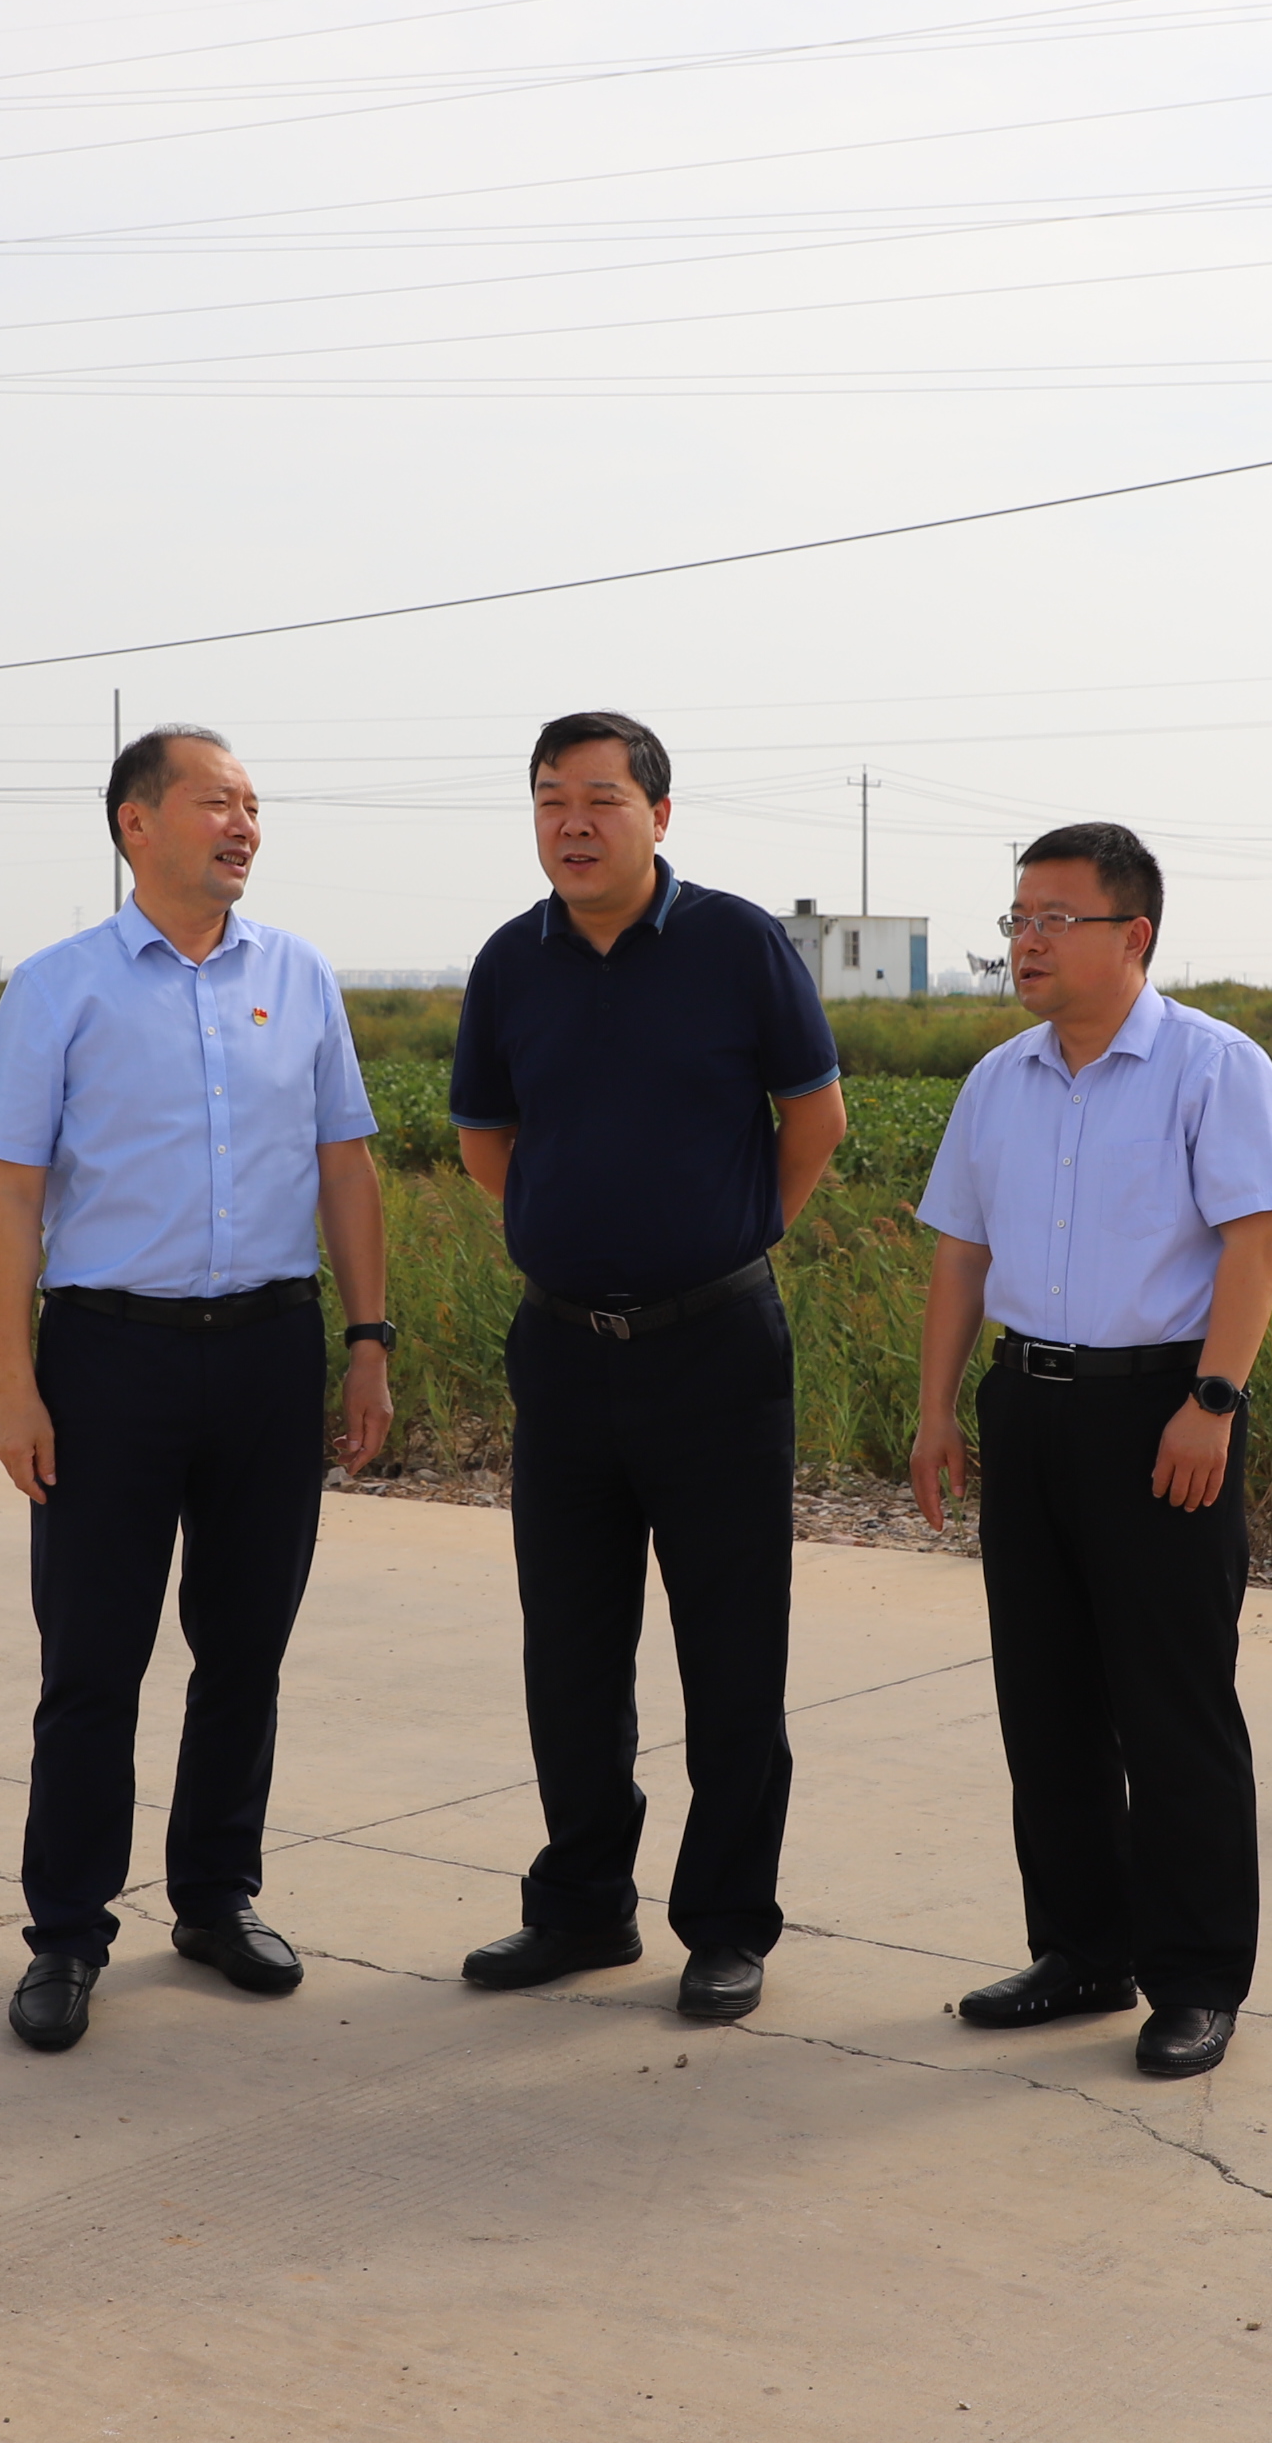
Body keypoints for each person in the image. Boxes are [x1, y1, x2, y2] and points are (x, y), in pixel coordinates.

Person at [0, 725, 396, 2054]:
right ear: (135, 823)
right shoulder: (60, 987)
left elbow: (345, 1167)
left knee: (245, 1647)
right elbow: (12, 1196)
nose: (243, 825)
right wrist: (14, 1385)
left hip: (269, 1349)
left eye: (253, 805)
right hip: (110, 1358)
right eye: (217, 802)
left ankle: (214, 1895)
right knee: (92, 1662)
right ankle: (66, 1933)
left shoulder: (298, 976)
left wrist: (367, 1341)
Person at [446, 710, 847, 2022]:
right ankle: (580, 1906)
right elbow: (486, 1139)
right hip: (563, 1353)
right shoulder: (510, 961)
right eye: (550, 799)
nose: (573, 822)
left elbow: (814, 1119)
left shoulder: (737, 945)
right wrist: (569, 1228)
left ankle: (725, 1924)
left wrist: (731, 1235)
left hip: (717, 1350)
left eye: (601, 797)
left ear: (658, 815)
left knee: (730, 1651)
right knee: (569, 1647)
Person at [909, 823, 1272, 2081]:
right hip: (1027, 1406)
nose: (1024, 941)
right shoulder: (997, 1081)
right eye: (1015, 917)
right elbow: (960, 1252)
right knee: (1047, 1700)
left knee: (1171, 1706)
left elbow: (1257, 1241)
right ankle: (1080, 1949)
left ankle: (1194, 1979)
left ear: (1132, 935)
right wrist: (936, 1409)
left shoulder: (1212, 1067)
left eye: (1053, 918)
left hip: (1161, 1413)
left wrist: (1213, 1399)